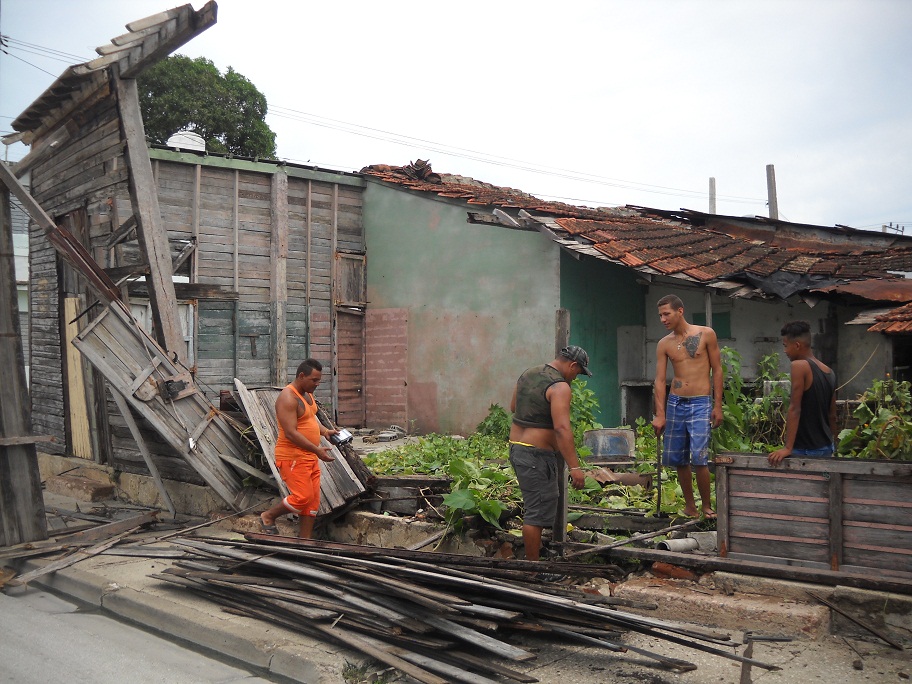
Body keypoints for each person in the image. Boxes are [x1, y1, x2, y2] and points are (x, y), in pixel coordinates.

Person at [509, 345, 592, 561]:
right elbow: (562, 429)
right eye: (579, 372)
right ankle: (533, 567)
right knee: (535, 512)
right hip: (536, 455)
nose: (577, 377)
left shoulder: (528, 374)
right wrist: (575, 467)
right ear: (572, 365)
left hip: (518, 449)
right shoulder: (560, 387)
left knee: (538, 504)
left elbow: (512, 407)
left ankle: (535, 554)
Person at [651, 295, 723, 519]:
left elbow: (717, 370)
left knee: (699, 456)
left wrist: (717, 405)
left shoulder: (705, 334)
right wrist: (660, 414)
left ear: (680, 311)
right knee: (678, 458)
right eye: (660, 315)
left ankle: (707, 506)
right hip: (676, 402)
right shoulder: (665, 344)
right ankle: (690, 507)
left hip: (700, 401)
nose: (663, 319)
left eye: (667, 314)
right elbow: (660, 380)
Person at [260, 359, 338, 538]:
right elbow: (291, 433)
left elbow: (310, 420)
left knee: (312, 504)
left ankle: (304, 542)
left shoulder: (308, 395)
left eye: (319, 380)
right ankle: (268, 516)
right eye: (314, 380)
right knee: (302, 498)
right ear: (301, 376)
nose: (317, 384)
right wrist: (317, 450)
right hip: (292, 457)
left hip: (309, 457)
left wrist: (325, 432)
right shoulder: (288, 397)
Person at [768, 321, 837, 465]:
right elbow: (832, 415)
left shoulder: (799, 366)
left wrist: (787, 448)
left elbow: (795, 408)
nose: (785, 351)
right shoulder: (830, 372)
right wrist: (834, 443)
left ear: (797, 345)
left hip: (806, 450)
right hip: (826, 448)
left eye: (785, 346)